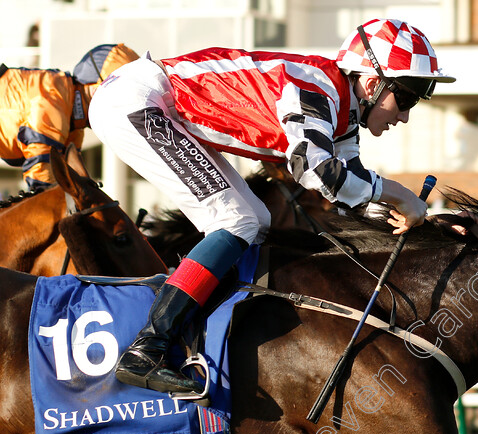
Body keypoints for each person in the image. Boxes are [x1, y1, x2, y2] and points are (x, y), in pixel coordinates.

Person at [88, 18, 455, 394]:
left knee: (254, 220)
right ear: (373, 84)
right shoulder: (316, 87)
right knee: (236, 220)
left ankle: (210, 332)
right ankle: (147, 348)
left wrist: (433, 226)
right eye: (406, 98)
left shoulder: (341, 114)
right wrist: (399, 194)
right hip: (138, 101)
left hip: (153, 103)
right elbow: (316, 171)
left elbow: (350, 198)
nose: (406, 115)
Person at [0, 44, 139, 190]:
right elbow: (42, 181)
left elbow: (73, 179)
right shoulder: (55, 99)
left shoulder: (73, 121)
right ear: (96, 88)